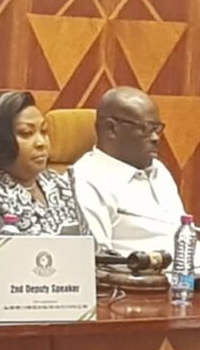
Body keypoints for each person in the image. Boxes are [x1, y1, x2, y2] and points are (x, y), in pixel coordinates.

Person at [0, 91, 84, 278]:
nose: (41, 143)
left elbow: (88, 255)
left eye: (44, 132)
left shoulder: (60, 185)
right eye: (26, 133)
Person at [72, 86, 185, 258]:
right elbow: (99, 262)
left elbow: (184, 233)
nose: (155, 138)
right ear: (111, 129)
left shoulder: (159, 170)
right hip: (154, 281)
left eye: (157, 128)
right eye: (146, 128)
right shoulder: (85, 181)